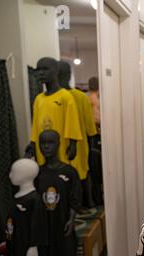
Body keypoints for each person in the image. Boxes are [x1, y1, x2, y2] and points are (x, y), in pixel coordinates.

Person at [36, 129, 82, 256]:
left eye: (51, 142)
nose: (46, 146)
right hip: (45, 230)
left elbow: (75, 198)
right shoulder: (37, 173)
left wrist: (71, 219)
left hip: (64, 227)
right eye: (43, 143)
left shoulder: (69, 172)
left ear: (58, 144)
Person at [25, 57, 82, 168]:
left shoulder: (65, 96)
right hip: (43, 150)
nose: (41, 73)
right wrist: (33, 144)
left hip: (61, 149)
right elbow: (36, 125)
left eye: (45, 69)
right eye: (38, 69)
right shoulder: (38, 99)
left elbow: (72, 122)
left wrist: (73, 143)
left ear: (56, 71)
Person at [58, 61, 98, 210]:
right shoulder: (50, 98)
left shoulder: (81, 97)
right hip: (62, 145)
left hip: (79, 143)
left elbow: (89, 125)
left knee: (82, 173)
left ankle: (86, 203)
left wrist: (91, 140)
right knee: (76, 175)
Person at [5, 159, 47, 256]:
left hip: (27, 247)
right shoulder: (16, 196)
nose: (10, 175)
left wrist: (33, 246)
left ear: (26, 175)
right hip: (15, 247)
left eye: (14, 172)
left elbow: (38, 224)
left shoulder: (34, 199)